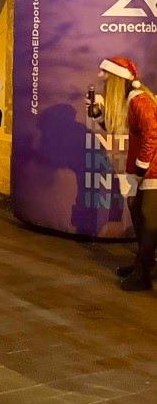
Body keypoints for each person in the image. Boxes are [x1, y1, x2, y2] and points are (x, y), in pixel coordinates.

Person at [90, 58, 157, 291]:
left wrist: (141, 168)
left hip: (152, 167)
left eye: (108, 77)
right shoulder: (131, 100)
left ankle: (143, 272)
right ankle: (145, 263)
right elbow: (117, 128)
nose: (104, 81)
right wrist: (98, 114)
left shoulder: (140, 100)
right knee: (137, 209)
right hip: (145, 165)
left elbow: (152, 134)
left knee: (149, 218)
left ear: (118, 79)